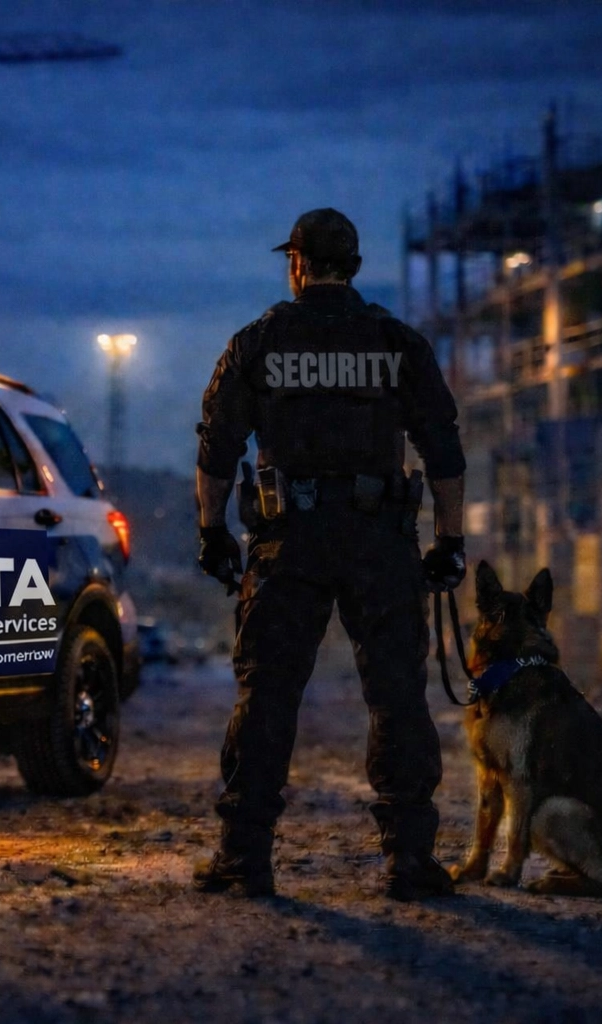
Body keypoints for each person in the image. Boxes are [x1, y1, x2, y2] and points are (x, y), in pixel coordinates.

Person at [192, 208, 468, 901]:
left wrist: (211, 531)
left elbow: (217, 447)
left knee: (268, 693)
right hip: (380, 541)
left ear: (296, 264)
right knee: (398, 695)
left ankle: (244, 858)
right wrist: (450, 543)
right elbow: (444, 450)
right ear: (356, 266)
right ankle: (410, 860)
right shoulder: (397, 344)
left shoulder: (259, 342)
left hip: (291, 542)